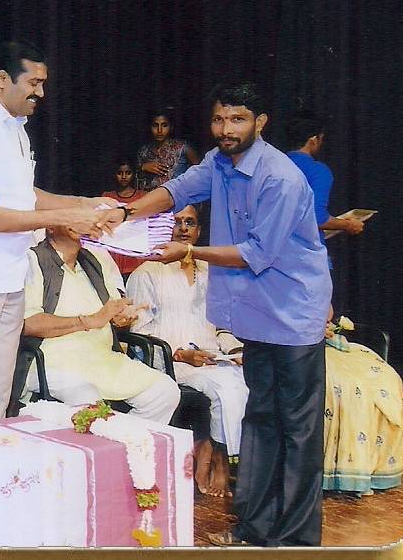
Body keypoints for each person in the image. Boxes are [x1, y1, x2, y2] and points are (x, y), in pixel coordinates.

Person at [125, 81, 332, 547]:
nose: (226, 129)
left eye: (237, 119)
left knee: (297, 429)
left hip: (294, 315)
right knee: (259, 420)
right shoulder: (219, 162)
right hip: (256, 314)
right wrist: (125, 214)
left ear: (260, 123)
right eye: (219, 119)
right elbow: (176, 189)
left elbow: (256, 253)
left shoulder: (281, 177)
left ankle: (297, 543)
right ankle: (253, 531)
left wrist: (189, 251)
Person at [0, 41, 124, 427]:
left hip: (12, 275)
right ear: (2, 80)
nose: (40, 93)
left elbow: (26, 196)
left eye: (43, 84)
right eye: (34, 83)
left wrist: (85, 204)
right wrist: (66, 217)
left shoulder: (16, 130)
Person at [127, 204, 249, 497]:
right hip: (170, 360)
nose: (183, 228)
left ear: (198, 230)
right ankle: (218, 461)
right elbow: (139, 334)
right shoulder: (147, 272)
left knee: (246, 380)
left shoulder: (211, 272)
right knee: (226, 388)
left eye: (190, 222)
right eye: (176, 221)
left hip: (211, 357)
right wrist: (180, 354)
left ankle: (212, 448)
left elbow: (221, 327)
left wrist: (236, 350)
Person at [21, 224, 181, 424]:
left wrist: (121, 317)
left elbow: (111, 312)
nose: (80, 221)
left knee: (164, 391)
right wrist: (88, 321)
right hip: (51, 361)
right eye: (72, 216)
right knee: (87, 399)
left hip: (102, 359)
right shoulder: (32, 260)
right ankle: (106, 437)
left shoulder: (95, 260)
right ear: (51, 226)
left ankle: (122, 440)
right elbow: (28, 323)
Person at [322, 311, 403, 495]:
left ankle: (368, 465)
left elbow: (327, 312)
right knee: (342, 384)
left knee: (386, 377)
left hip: (326, 344)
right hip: (296, 347)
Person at [285, 109, 368, 243]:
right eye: (321, 139)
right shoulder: (317, 170)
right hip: (302, 251)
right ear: (313, 140)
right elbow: (316, 218)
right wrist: (348, 224)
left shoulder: (269, 166)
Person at [101, 156, 148, 277]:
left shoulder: (142, 197)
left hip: (135, 247)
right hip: (113, 247)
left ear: (133, 174)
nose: (124, 176)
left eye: (128, 173)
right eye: (119, 173)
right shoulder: (107, 197)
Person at [135, 109, 200, 192]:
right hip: (150, 197)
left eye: (164, 125)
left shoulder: (183, 147)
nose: (159, 130)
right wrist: (143, 167)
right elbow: (133, 175)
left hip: (177, 196)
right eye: (155, 125)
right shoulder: (144, 151)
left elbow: (199, 171)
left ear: (171, 127)